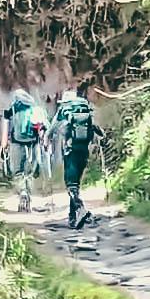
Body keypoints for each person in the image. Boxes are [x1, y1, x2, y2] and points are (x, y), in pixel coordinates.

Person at [45, 87, 103, 228]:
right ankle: (72, 218)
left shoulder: (64, 110)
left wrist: (46, 141)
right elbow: (98, 130)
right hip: (84, 149)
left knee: (71, 184)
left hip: (69, 149)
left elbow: (52, 129)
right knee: (76, 182)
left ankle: (81, 208)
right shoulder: (86, 109)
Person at [0, 88, 41, 212]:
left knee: (17, 170)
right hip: (33, 143)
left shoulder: (11, 108)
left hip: (16, 142)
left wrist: (4, 143)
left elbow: (6, 125)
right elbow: (41, 126)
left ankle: (23, 193)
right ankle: (28, 193)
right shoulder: (34, 108)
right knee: (30, 171)